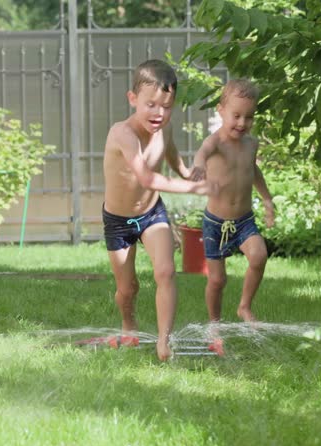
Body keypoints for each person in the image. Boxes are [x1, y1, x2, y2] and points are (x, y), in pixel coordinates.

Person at [102, 59, 209, 361]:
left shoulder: (165, 128)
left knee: (166, 271)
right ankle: (128, 321)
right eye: (151, 105)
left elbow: (170, 152)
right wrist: (195, 188)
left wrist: (186, 171)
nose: (159, 113)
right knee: (127, 289)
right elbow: (147, 177)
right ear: (132, 99)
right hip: (118, 221)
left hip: (151, 214)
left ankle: (164, 340)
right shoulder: (123, 134)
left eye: (166, 107)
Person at [190, 78, 275, 335]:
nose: (242, 123)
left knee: (259, 256)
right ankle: (215, 324)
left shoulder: (251, 144)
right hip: (215, 223)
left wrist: (267, 199)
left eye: (249, 117)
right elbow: (202, 153)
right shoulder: (215, 142)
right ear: (221, 110)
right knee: (217, 280)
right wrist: (199, 166)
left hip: (244, 220)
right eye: (236, 115)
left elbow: (254, 171)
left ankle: (244, 307)